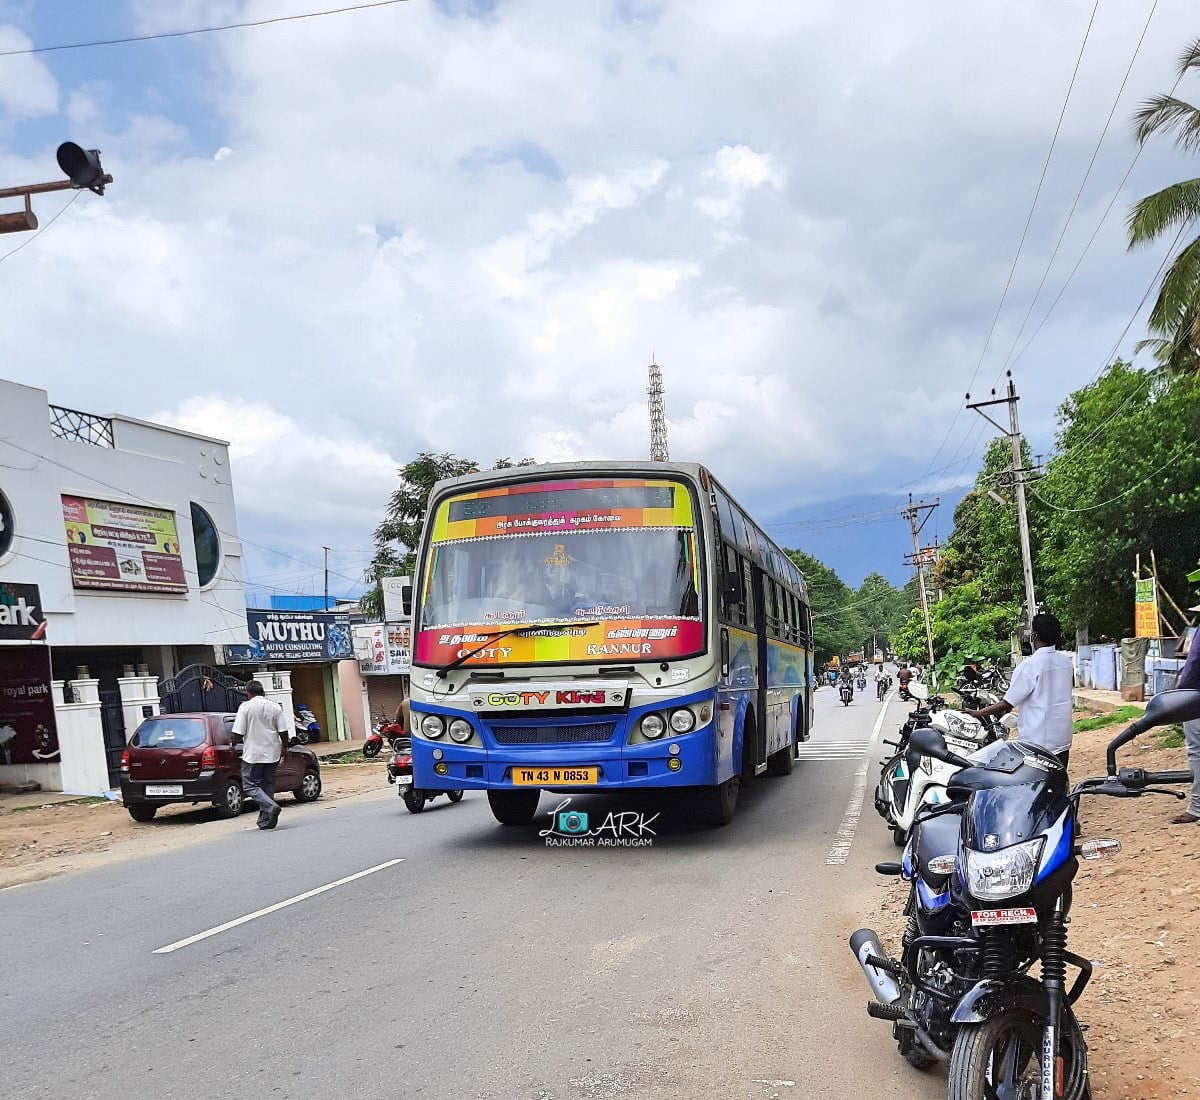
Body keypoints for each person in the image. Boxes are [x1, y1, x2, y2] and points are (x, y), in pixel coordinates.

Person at [965, 612, 1075, 767]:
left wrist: (978, 713)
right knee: (1059, 780)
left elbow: (1007, 704)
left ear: (1034, 635)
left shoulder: (1029, 666)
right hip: (1062, 738)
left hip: (1037, 742)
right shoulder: (1066, 661)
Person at [232, 680, 289, 830]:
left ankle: (270, 807)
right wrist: (285, 747)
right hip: (272, 752)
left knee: (249, 785)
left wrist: (232, 744)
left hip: (253, 753)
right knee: (267, 785)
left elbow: (238, 732)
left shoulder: (245, 707)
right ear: (263, 693)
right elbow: (283, 731)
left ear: (248, 694)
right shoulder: (275, 707)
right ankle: (266, 821)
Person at [1169, 625, 1200, 825]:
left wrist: (1180, 693)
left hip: (1196, 698)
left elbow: (1194, 662)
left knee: (1197, 751)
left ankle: (1197, 807)